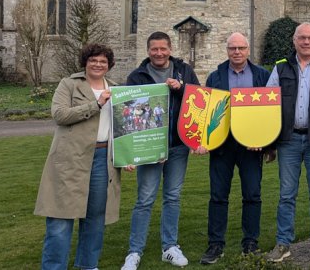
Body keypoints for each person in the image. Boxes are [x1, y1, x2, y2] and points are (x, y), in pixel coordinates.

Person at [37, 44, 120, 270]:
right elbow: (60, 115)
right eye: (93, 60)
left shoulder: (115, 89)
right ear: (85, 61)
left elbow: (122, 127)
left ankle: (88, 265)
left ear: (109, 65)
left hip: (104, 159)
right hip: (70, 159)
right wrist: (96, 104)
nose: (97, 64)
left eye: (103, 61)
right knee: (60, 219)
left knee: (95, 219)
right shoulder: (69, 84)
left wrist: (129, 154)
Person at [121, 32, 200, 270]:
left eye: (163, 49)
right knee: (144, 200)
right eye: (154, 49)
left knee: (173, 197)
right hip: (149, 148)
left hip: (177, 146)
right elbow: (127, 114)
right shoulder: (137, 76)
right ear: (148, 51)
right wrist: (128, 152)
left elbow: (198, 98)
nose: (159, 53)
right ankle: (134, 252)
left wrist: (181, 87)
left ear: (170, 48)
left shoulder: (183, 70)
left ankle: (170, 247)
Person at [264, 23, 310, 263]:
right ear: (294, 40)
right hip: (289, 139)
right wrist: (268, 142)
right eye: (302, 38)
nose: (306, 42)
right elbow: (267, 104)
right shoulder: (280, 68)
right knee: (287, 194)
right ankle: (283, 243)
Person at [198, 33, 272, 264]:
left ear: (248, 50)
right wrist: (203, 140)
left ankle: (250, 242)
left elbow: (270, 113)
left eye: (241, 48)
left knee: (252, 195)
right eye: (233, 48)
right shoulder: (215, 77)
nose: (237, 52)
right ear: (227, 50)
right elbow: (206, 112)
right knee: (218, 196)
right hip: (222, 145)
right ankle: (215, 244)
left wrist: (269, 144)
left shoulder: (262, 76)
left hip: (252, 146)